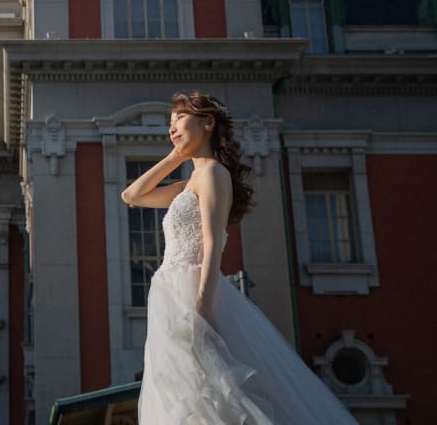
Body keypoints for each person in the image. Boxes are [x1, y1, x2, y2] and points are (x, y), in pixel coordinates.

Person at [120, 91, 358, 424]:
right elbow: (132, 195)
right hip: (170, 294)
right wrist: (175, 156)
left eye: (180, 118)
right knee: (187, 393)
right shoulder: (190, 182)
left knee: (219, 392)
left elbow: (213, 242)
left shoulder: (214, 175)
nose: (172, 127)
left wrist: (201, 308)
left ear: (207, 123)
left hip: (192, 291)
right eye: (169, 122)